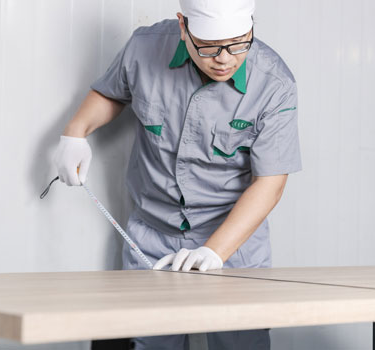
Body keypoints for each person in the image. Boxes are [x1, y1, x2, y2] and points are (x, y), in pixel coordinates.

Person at [53, 0, 301, 348]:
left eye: (240, 42)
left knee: (242, 342)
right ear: (183, 27)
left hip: (234, 241)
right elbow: (111, 92)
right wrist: (75, 132)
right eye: (210, 47)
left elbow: (270, 182)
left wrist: (215, 251)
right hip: (152, 237)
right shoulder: (143, 49)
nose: (225, 58)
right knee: (148, 342)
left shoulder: (274, 84)